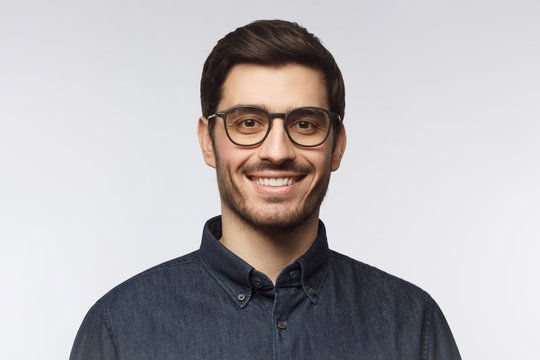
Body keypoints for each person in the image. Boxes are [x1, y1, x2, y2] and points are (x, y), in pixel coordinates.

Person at [70, 20, 461, 359]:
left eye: (305, 124)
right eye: (248, 123)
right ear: (208, 141)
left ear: (337, 145)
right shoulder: (118, 329)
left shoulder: (413, 326)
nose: (277, 152)